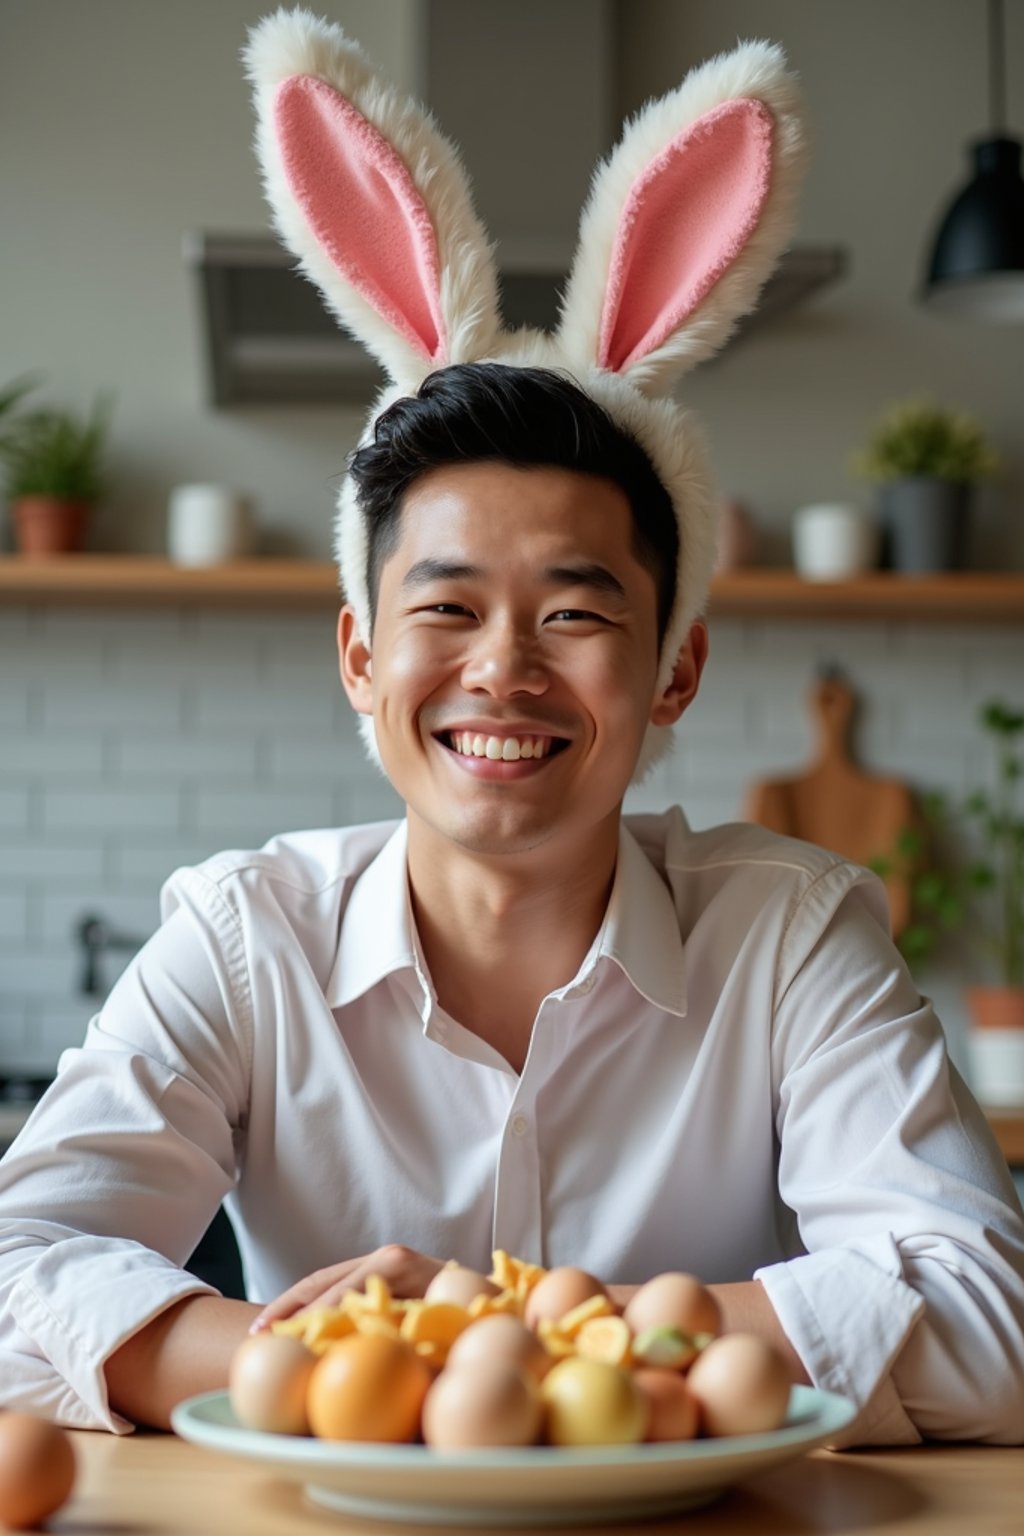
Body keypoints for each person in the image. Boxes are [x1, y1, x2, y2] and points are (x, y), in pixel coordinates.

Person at [2, 11, 1023, 1445]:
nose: (504, 671)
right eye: (447, 609)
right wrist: (366, 1353)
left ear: (673, 670)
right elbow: (11, 1275)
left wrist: (525, 1327)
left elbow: (993, 1315)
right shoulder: (248, 940)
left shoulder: (792, 937)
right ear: (361, 659)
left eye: (576, 612)